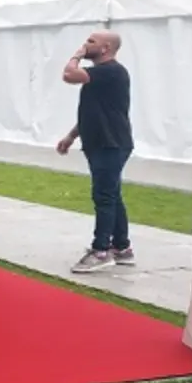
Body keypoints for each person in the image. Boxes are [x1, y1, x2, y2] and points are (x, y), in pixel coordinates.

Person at [56, 31, 134, 272]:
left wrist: (76, 56)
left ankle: (101, 250)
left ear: (105, 48)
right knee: (112, 194)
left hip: (111, 143)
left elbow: (69, 75)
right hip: (102, 142)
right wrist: (71, 136)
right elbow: (94, 112)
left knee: (104, 196)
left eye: (91, 41)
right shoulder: (100, 75)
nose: (85, 44)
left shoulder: (111, 71)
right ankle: (121, 247)